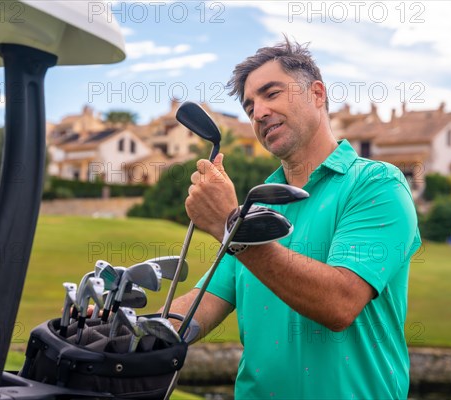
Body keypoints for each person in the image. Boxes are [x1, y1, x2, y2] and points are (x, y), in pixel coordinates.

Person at [169, 37, 422, 399]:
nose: (258, 113)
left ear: (317, 94)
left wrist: (229, 223)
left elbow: (339, 303)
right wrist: (136, 331)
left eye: (271, 94)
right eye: (249, 106)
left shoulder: (378, 184)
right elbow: (203, 303)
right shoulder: (256, 208)